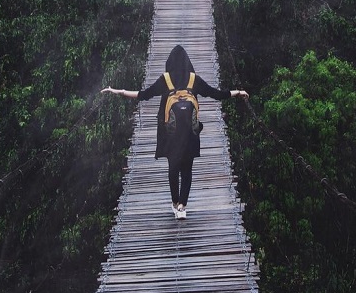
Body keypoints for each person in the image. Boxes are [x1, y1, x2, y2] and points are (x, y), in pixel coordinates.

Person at [101, 45, 248, 219]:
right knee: (187, 170)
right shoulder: (194, 80)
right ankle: (182, 206)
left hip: (170, 134)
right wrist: (237, 92)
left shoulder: (166, 79)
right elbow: (216, 94)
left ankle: (174, 202)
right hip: (190, 134)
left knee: (173, 168)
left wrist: (118, 91)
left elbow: (143, 94)